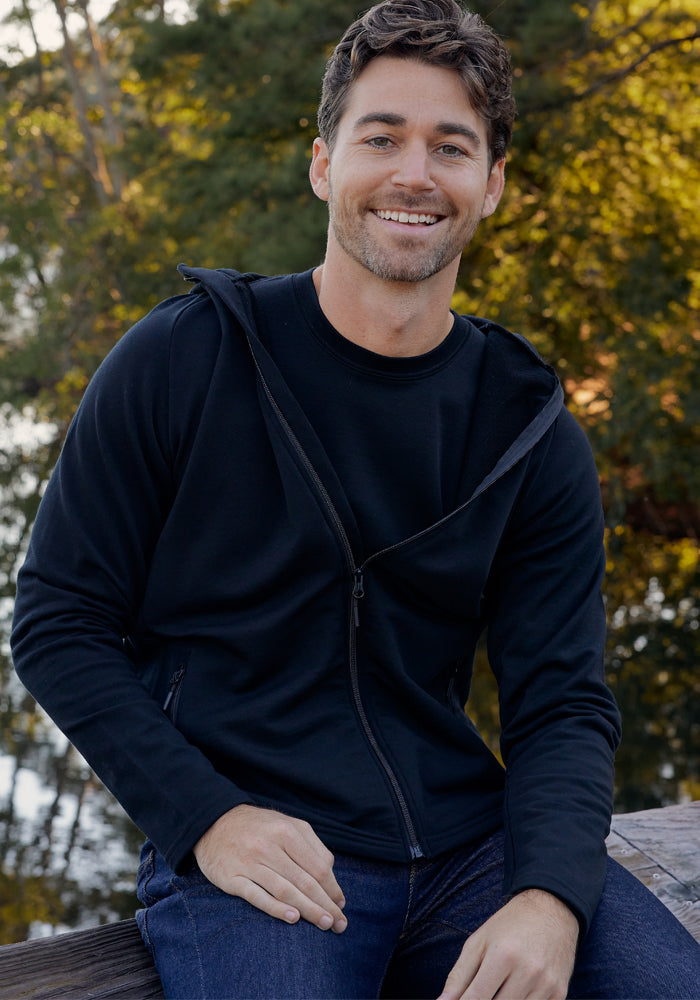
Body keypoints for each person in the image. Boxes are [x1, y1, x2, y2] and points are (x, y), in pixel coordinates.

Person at [11, 1, 700, 997]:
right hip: (264, 854)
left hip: (472, 848)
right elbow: (57, 621)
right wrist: (205, 816)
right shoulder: (183, 358)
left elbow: (560, 697)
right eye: (382, 137)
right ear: (324, 162)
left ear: (491, 184)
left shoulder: (528, 425)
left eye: (450, 147)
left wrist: (548, 892)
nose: (413, 174)